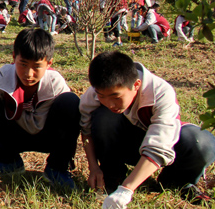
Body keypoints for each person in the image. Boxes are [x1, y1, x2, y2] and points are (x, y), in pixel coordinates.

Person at [80, 51, 215, 206]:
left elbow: (160, 144)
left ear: (136, 85)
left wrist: (126, 190)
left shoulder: (161, 93)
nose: (109, 103)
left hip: (162, 145)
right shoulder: (96, 93)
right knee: (104, 116)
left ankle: (177, 181)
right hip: (129, 144)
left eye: (116, 97)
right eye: (101, 96)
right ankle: (112, 176)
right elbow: (86, 130)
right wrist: (94, 167)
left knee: (202, 143)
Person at [0, 28, 80, 188]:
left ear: (49, 63)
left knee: (70, 102)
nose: (28, 73)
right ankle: (8, 161)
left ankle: (56, 168)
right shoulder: (3, 76)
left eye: (37, 67)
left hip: (47, 137)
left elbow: (72, 122)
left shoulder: (55, 82)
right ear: (13, 57)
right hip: (13, 135)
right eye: (23, 64)